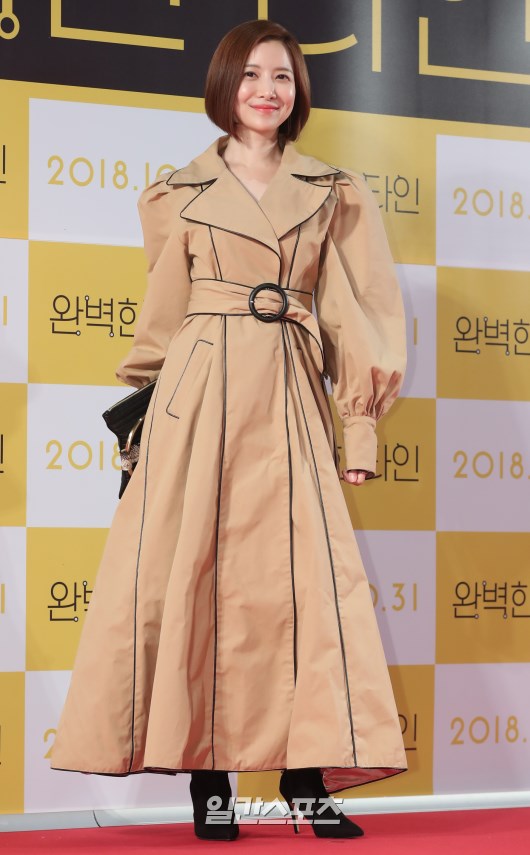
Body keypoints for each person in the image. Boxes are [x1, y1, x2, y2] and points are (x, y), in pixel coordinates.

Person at [50, 19, 408, 842]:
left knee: (305, 588)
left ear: (299, 90)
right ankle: (210, 781)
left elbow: (359, 315)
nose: (266, 90)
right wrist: (140, 427)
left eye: (281, 76)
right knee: (197, 580)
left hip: (288, 389)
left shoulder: (334, 191)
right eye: (250, 75)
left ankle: (305, 777)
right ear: (224, 86)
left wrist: (358, 428)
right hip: (198, 397)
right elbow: (161, 319)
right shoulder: (177, 193)